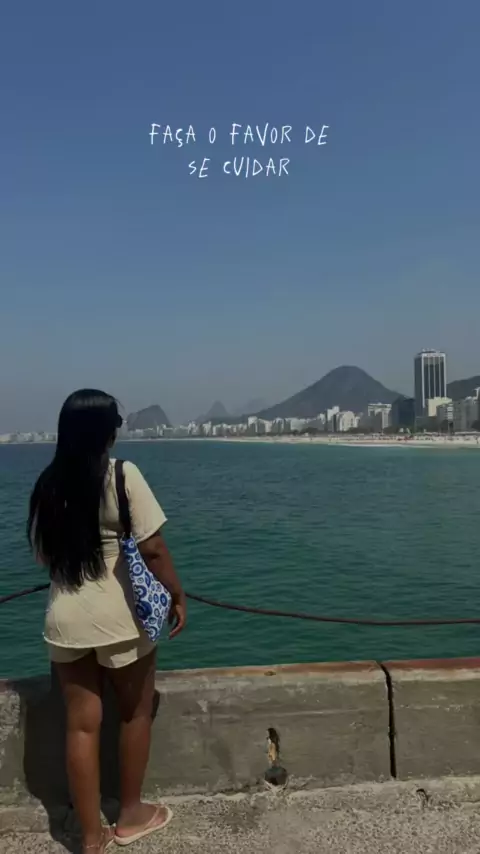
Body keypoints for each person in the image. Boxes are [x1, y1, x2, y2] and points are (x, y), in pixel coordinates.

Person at [27, 389, 186, 853]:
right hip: (119, 619)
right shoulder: (122, 475)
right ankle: (131, 815)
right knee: (135, 711)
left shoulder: (47, 484)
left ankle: (91, 838)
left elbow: (43, 556)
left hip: (64, 619)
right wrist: (176, 594)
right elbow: (153, 548)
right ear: (107, 433)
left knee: (81, 725)